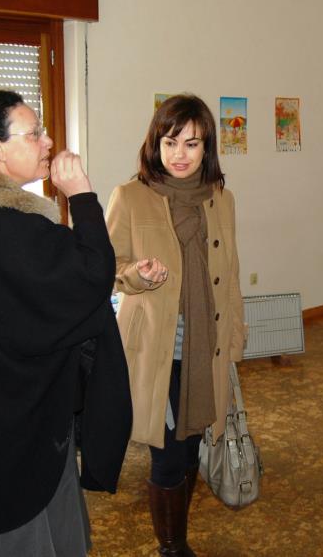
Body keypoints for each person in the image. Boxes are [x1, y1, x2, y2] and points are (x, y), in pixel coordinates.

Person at [0, 90, 131, 557]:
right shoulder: (5, 227)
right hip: (15, 430)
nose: (48, 142)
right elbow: (92, 276)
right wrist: (81, 195)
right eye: (34, 133)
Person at [105, 93, 247, 556]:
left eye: (191, 144)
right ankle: (172, 546)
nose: (179, 155)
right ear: (155, 144)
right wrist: (137, 275)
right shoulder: (130, 197)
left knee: (190, 449)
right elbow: (107, 268)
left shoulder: (221, 199)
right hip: (156, 350)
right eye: (170, 143)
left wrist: (236, 341)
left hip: (207, 347)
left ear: (207, 147)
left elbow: (231, 274)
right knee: (167, 454)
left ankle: (176, 533)